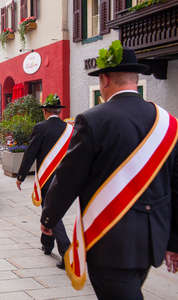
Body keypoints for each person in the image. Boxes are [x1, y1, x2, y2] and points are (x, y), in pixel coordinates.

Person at [40, 43, 178, 299]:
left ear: (103, 80)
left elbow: (69, 178)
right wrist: (174, 242)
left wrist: (49, 219)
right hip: (151, 240)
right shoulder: (168, 123)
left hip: (109, 237)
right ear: (135, 80)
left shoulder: (92, 120)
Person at [15, 94, 72, 269]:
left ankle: (67, 252)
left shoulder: (41, 128)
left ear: (45, 111)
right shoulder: (68, 129)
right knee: (50, 211)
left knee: (52, 214)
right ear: (59, 112)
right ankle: (47, 244)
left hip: (48, 179)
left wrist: (21, 176)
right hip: (66, 178)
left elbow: (30, 153)